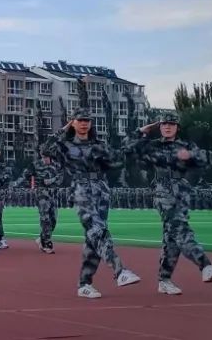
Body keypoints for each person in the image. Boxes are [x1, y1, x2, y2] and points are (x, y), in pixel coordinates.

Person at [43, 109, 140, 299]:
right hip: (80, 189)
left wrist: (135, 138)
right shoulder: (65, 145)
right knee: (97, 230)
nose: (84, 123)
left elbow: (117, 159)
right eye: (80, 120)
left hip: (101, 190)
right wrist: (64, 129)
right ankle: (120, 270)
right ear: (73, 123)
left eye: (87, 120)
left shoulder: (98, 145)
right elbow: (46, 149)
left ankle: (84, 284)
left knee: (93, 237)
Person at [126, 114, 212, 295]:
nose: (167, 127)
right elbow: (127, 147)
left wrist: (191, 154)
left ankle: (164, 280)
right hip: (162, 191)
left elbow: (210, 157)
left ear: (177, 127)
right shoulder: (152, 145)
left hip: (182, 191)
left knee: (172, 238)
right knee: (180, 229)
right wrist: (141, 131)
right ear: (159, 127)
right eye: (164, 124)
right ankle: (205, 265)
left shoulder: (186, 145)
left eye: (171, 124)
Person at [33, 154, 62, 254]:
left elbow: (60, 179)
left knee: (53, 220)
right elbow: (43, 181)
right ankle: (47, 243)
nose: (44, 159)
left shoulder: (56, 166)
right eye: (42, 157)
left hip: (53, 196)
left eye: (45, 157)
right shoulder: (38, 166)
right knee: (45, 219)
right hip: (42, 196)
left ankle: (42, 238)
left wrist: (52, 180)